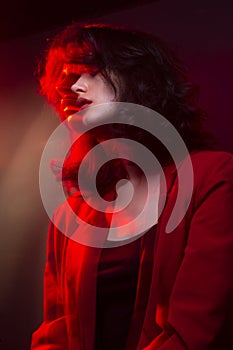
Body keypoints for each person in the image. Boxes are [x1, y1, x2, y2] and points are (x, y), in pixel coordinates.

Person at [31, 23, 233, 350]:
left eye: (90, 70)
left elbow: (195, 333)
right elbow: (55, 335)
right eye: (66, 78)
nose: (73, 87)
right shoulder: (70, 218)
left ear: (139, 79)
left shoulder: (214, 177)